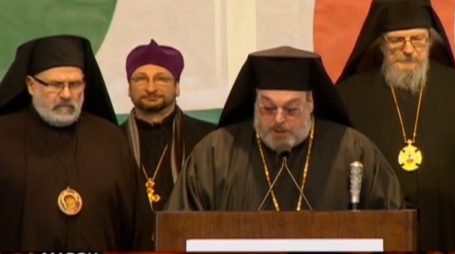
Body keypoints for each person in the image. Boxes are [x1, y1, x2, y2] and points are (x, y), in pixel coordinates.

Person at [334, 0, 455, 251]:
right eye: (397, 41)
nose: (408, 49)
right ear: (380, 43)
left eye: (418, 40)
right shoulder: (349, 97)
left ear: (431, 41)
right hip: (375, 238)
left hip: (453, 237)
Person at [166, 46, 402, 211]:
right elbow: (180, 226)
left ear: (310, 103)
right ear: (255, 103)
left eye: (291, 110)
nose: (279, 119)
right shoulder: (216, 152)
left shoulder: (352, 149)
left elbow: (392, 222)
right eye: (268, 108)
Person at [0, 35, 152, 251]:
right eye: (55, 85)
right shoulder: (3, 137)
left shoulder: (109, 139)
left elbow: (139, 226)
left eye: (75, 84)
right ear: (31, 85)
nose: (66, 94)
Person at [121, 39, 215, 211]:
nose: (150, 88)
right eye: (141, 79)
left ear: (177, 87)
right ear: (128, 88)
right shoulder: (111, 141)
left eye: (161, 79)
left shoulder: (208, 139)